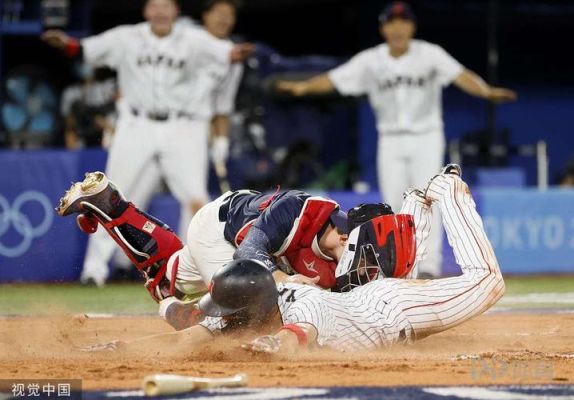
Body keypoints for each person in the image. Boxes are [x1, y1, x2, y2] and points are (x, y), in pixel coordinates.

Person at [79, 164, 505, 353]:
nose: (357, 272)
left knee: (164, 277)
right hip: (223, 231)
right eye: (357, 256)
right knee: (250, 302)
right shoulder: (299, 211)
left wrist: (425, 194)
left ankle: (110, 206)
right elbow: (249, 254)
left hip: (244, 257)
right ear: (342, 232)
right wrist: (284, 284)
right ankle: (194, 316)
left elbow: (405, 230)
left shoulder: (348, 247)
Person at [277, 1, 517, 279]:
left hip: (425, 136)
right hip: (390, 139)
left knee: (429, 199)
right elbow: (335, 78)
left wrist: (486, 91)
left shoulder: (429, 54)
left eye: (403, 22)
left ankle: (429, 266)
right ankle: (401, 267)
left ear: (412, 26)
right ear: (383, 28)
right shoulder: (371, 60)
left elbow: (460, 75)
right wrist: (302, 87)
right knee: (393, 203)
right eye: (392, 22)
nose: (398, 27)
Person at [42, 0, 253, 286]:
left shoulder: (194, 39)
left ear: (176, 12)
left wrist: (243, 53)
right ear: (146, 11)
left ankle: (190, 272)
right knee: (108, 197)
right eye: (155, 6)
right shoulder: (127, 37)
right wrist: (64, 42)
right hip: (136, 125)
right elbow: (84, 49)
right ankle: (94, 271)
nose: (161, 12)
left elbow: (229, 53)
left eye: (167, 6)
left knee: (196, 200)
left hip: (183, 126)